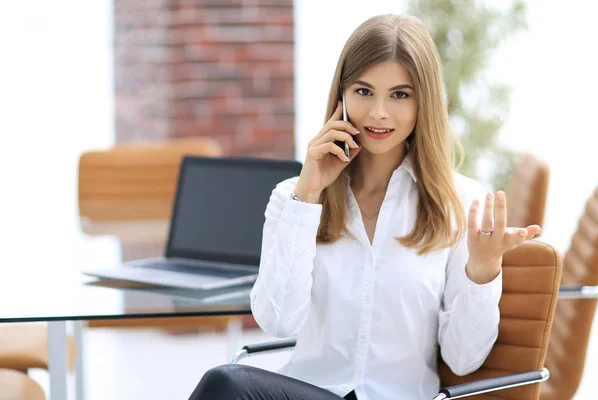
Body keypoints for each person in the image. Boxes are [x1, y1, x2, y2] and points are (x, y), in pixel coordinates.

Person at [188, 13, 541, 400]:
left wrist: (483, 272)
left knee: (226, 384)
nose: (379, 113)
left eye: (400, 95)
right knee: (226, 383)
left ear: (425, 102)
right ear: (341, 95)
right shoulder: (292, 195)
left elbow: (463, 360)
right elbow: (278, 322)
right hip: (310, 391)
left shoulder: (460, 204)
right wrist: (308, 196)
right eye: (364, 91)